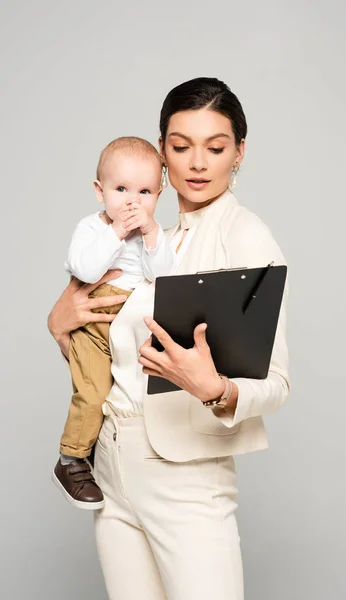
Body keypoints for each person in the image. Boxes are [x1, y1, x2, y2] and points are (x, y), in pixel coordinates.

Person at [48, 77, 290, 600]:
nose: (197, 163)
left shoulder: (245, 236)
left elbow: (276, 383)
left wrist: (215, 389)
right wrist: (58, 321)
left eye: (216, 147)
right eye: (181, 147)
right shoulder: (138, 232)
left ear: (239, 152)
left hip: (185, 476)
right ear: (161, 153)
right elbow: (99, 349)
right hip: (110, 463)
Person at [52, 136, 176, 510]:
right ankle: (70, 459)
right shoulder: (92, 229)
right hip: (94, 321)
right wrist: (117, 232)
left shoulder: (150, 233)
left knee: (117, 395)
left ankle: (95, 452)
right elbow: (86, 269)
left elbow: (164, 276)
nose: (132, 201)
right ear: (99, 190)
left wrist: (152, 234)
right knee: (92, 391)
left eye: (144, 191)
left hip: (128, 323)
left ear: (159, 194)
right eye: (121, 189)